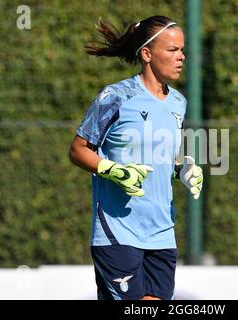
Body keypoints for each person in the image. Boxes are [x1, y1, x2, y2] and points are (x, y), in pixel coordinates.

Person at [69, 15, 203, 300]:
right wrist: (113, 170)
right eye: (172, 50)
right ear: (147, 53)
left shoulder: (179, 102)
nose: (181, 57)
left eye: (182, 50)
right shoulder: (115, 96)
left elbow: (165, 154)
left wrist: (184, 169)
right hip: (118, 232)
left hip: (162, 233)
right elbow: (78, 150)